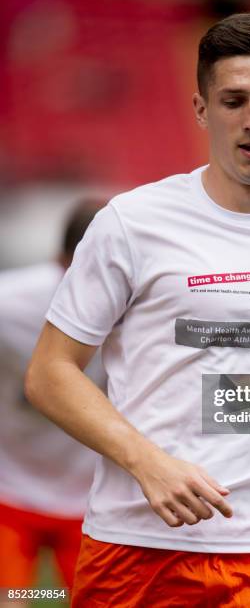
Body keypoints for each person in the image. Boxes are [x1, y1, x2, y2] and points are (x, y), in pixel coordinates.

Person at [25, 13, 250, 608]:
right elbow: (49, 373)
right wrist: (146, 462)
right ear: (200, 109)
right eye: (233, 100)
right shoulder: (130, 223)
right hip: (136, 550)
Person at [0, 200, 106, 603]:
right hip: (8, 489)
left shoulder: (146, 315)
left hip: (94, 502)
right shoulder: (10, 304)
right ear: (60, 261)